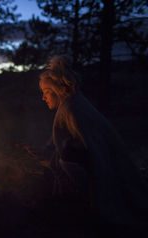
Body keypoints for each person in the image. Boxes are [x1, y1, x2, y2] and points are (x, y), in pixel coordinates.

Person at [40, 55, 148, 227]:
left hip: (105, 175)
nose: (43, 98)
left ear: (57, 91)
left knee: (66, 160)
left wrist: (101, 193)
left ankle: (81, 205)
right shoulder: (74, 103)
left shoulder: (71, 109)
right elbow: (58, 142)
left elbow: (92, 150)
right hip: (101, 167)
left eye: (46, 93)